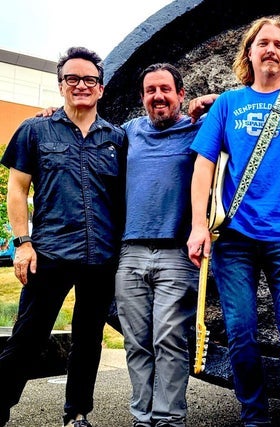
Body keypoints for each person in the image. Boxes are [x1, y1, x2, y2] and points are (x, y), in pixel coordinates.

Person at [186, 18, 280, 427]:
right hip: (234, 237)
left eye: (279, 44)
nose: (271, 49)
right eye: (263, 43)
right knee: (240, 331)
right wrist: (199, 225)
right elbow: (202, 166)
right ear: (249, 53)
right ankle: (254, 417)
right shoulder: (227, 104)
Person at [0, 47, 127, 427]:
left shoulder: (117, 139)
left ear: (100, 88)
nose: (81, 85)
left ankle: (77, 414)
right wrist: (22, 243)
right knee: (27, 337)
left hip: (101, 256)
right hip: (49, 253)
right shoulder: (35, 130)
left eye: (89, 79)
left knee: (88, 340)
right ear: (61, 85)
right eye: (72, 78)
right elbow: (17, 190)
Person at [114, 63, 206, 427]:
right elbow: (86, 132)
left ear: (181, 94)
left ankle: (169, 419)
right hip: (131, 252)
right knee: (136, 342)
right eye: (150, 90)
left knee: (169, 340)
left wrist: (212, 102)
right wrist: (53, 113)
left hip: (177, 253)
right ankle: (142, 418)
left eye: (165, 89)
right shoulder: (129, 132)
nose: (158, 96)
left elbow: (237, 119)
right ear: (142, 97)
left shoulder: (198, 129)